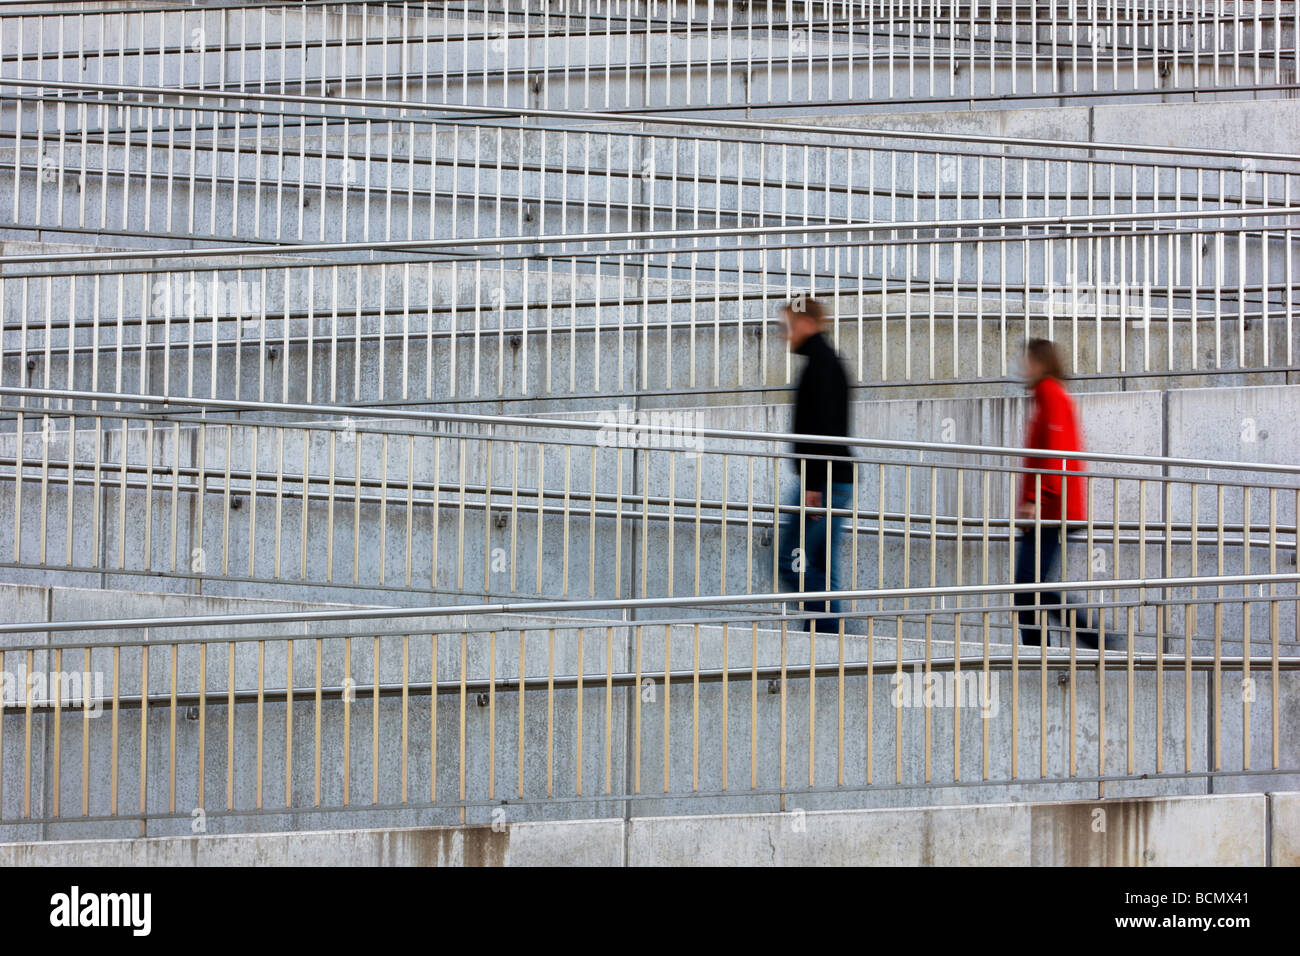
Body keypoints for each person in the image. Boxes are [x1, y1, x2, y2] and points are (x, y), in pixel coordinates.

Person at [1014, 339, 1118, 650]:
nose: (1022, 367)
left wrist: (1036, 496)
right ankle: (1050, 647)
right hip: (1052, 507)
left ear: (1041, 362)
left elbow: (1055, 450)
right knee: (1031, 587)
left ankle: (1091, 638)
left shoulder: (1049, 391)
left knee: (1028, 587)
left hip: (1051, 509)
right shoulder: (1049, 393)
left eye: (1027, 360)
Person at [776, 297, 854, 632]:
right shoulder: (825, 360)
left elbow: (824, 427)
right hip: (831, 479)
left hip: (823, 482)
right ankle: (828, 646)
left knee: (790, 562)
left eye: (788, 327)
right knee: (821, 566)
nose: (785, 335)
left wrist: (811, 484)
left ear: (805, 323)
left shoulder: (821, 364)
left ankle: (824, 639)